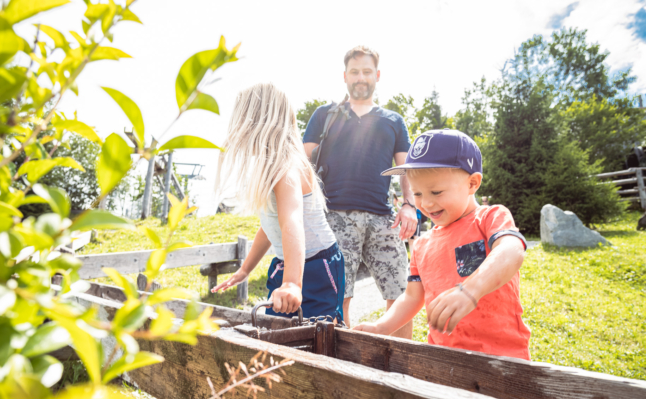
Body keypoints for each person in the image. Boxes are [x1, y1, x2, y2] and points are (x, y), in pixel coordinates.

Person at [353, 129, 531, 360]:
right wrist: (382, 327)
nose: (426, 203)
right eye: (417, 193)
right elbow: (411, 297)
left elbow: (511, 250)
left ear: (472, 183)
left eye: (436, 192)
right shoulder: (422, 244)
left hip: (502, 358)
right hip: (442, 359)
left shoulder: (490, 218)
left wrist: (470, 290)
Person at [303, 45, 417, 337]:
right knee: (339, 298)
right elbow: (301, 165)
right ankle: (346, 367)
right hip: (335, 217)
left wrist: (409, 206)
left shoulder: (393, 121)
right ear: (345, 76)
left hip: (384, 218)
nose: (361, 77)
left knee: (402, 294)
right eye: (355, 71)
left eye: (367, 71)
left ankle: (401, 368)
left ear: (377, 75)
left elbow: (406, 170)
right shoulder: (324, 115)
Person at [212, 83, 345, 322]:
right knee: (277, 328)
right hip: (289, 263)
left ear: (258, 125)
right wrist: (245, 269)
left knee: (318, 334)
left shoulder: (287, 167)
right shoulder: (269, 168)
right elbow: (270, 226)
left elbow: (291, 222)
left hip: (317, 265)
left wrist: (293, 283)